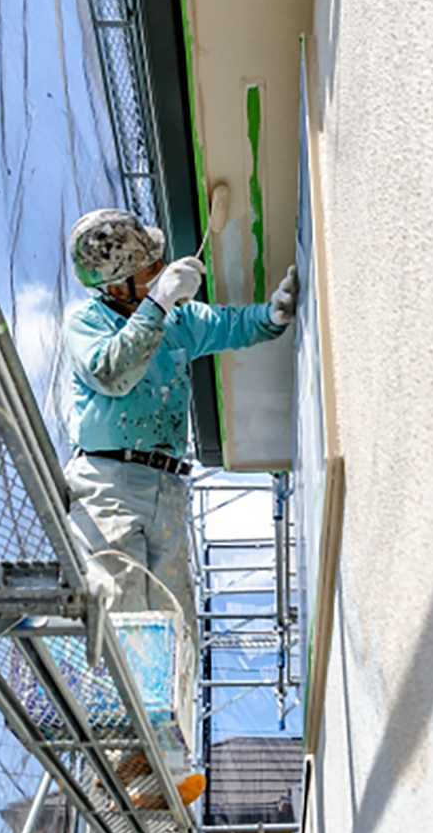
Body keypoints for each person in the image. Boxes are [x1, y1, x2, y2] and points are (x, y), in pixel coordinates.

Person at [62, 209, 297, 636]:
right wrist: (158, 304)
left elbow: (230, 325)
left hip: (166, 486)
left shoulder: (178, 320)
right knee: (119, 606)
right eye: (149, 269)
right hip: (107, 482)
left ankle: (165, 683)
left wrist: (272, 316)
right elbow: (112, 372)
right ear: (115, 285)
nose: (161, 272)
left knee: (175, 623)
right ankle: (114, 682)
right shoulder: (87, 323)